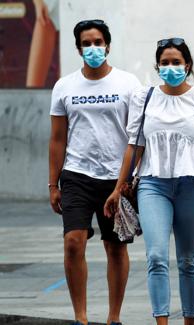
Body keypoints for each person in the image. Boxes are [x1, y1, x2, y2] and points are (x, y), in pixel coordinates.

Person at [103, 37, 194, 325]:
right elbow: (134, 146)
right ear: (157, 66)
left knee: (188, 261)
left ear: (188, 65)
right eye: (164, 63)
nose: (170, 67)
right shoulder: (143, 98)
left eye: (176, 62)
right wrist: (117, 187)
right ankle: (161, 322)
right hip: (152, 185)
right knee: (156, 256)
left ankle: (189, 321)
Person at [48, 20, 141, 325]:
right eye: (86, 43)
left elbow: (137, 136)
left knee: (114, 247)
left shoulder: (128, 84)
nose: (93, 48)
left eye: (98, 42)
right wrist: (53, 183)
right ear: (78, 48)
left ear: (108, 45)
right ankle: (81, 317)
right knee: (73, 242)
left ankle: (114, 317)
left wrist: (129, 179)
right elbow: (58, 138)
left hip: (117, 178)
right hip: (76, 175)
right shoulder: (65, 86)